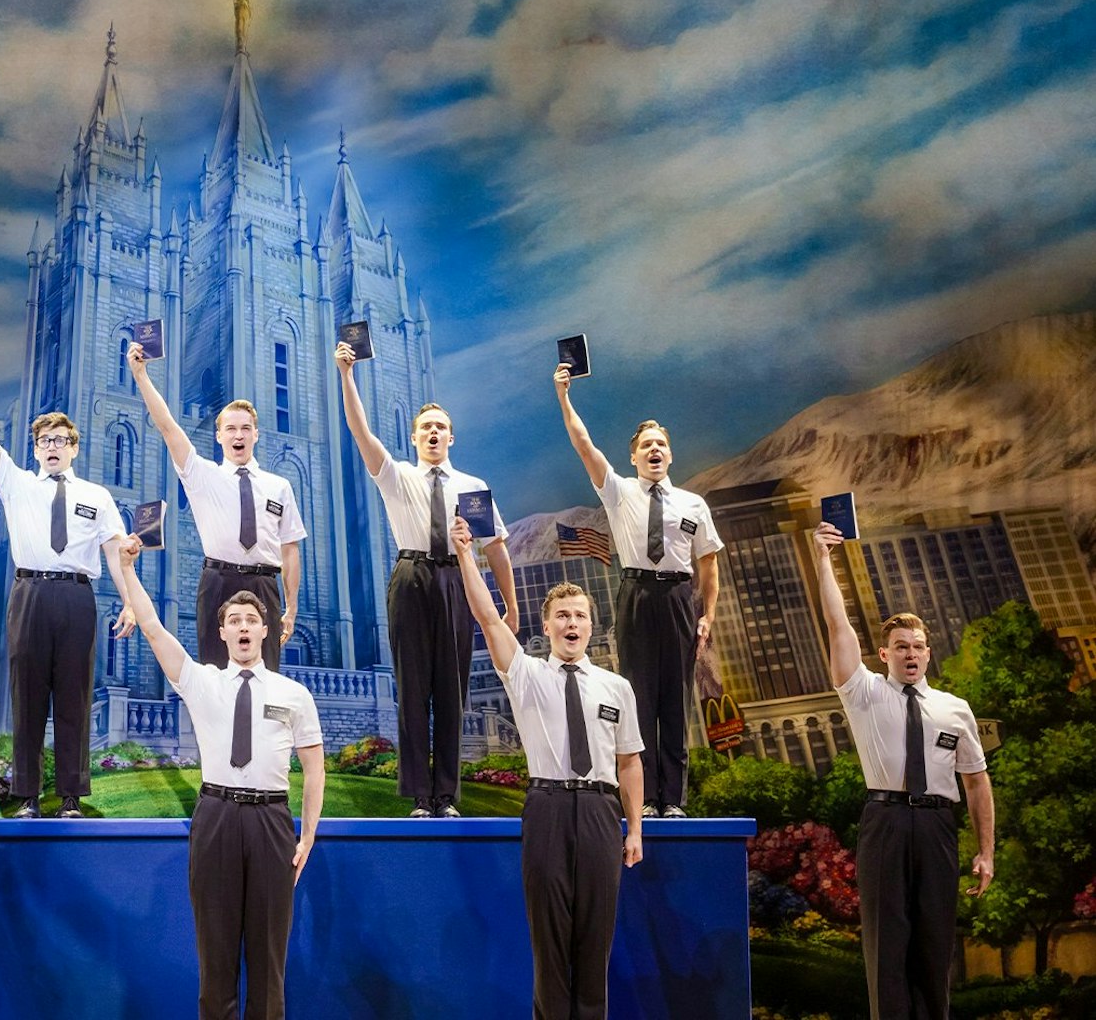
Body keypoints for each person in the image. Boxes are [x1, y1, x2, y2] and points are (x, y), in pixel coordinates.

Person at [116, 541, 324, 1019]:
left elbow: (314, 767)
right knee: (215, 959)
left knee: (270, 959)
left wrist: (308, 833)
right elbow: (151, 627)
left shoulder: (293, 694)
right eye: (235, 621)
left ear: (265, 630)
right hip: (215, 818)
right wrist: (127, 569)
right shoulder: (201, 680)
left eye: (251, 620)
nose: (244, 627)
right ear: (222, 633)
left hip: (272, 821)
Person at [454, 515, 644, 1018]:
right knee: (550, 941)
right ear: (547, 625)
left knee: (594, 940)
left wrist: (636, 829)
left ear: (592, 623)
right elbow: (490, 619)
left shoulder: (616, 687)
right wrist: (465, 556)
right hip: (547, 808)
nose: (572, 624)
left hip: (602, 814)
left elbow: (629, 763)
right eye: (562, 615)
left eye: (579, 615)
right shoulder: (526, 674)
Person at [813, 521, 994, 1019]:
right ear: (884, 655)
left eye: (917, 646)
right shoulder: (864, 692)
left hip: (937, 825)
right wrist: (823, 560)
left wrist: (985, 852)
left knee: (936, 945)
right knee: (886, 945)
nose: (910, 654)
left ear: (928, 653)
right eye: (901, 647)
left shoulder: (955, 709)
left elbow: (977, 783)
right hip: (885, 823)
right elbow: (837, 625)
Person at [0, 359, 139, 818]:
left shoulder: (98, 496)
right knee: (27, 695)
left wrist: (129, 600)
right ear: (35, 449)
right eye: (44, 440)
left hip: (77, 596)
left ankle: (70, 796)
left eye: (60, 440)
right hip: (29, 595)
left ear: (74, 448)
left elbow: (115, 553)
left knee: (73, 695)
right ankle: (28, 796)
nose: (52, 447)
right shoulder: (16, 484)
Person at [336, 341, 518, 817]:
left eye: (441, 427)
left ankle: (447, 795)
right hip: (411, 577)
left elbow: (496, 548)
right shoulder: (398, 477)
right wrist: (347, 376)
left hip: (459, 580)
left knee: (452, 689)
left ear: (451, 438)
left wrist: (510, 608)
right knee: (413, 688)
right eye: (425, 428)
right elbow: (359, 432)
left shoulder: (473, 488)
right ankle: (420, 796)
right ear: (414, 438)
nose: (433, 433)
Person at [553, 364, 721, 817]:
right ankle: (645, 799)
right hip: (636, 598)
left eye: (661, 445)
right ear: (633, 457)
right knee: (638, 698)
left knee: (676, 700)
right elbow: (584, 446)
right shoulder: (620, 491)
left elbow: (708, 562)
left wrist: (707, 615)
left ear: (670, 455)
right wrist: (565, 397)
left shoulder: (693, 504)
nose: (654, 450)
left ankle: (674, 800)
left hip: (679, 600)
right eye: (646, 445)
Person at [128, 340, 306, 671]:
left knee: (264, 677)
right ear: (219, 436)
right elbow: (168, 427)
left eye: (245, 429)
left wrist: (291, 608)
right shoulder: (202, 476)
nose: (238, 435)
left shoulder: (279, 486)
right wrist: (141, 376)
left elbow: (290, 549)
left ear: (256, 435)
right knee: (215, 679)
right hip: (217, 582)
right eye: (231, 429)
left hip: (264, 585)